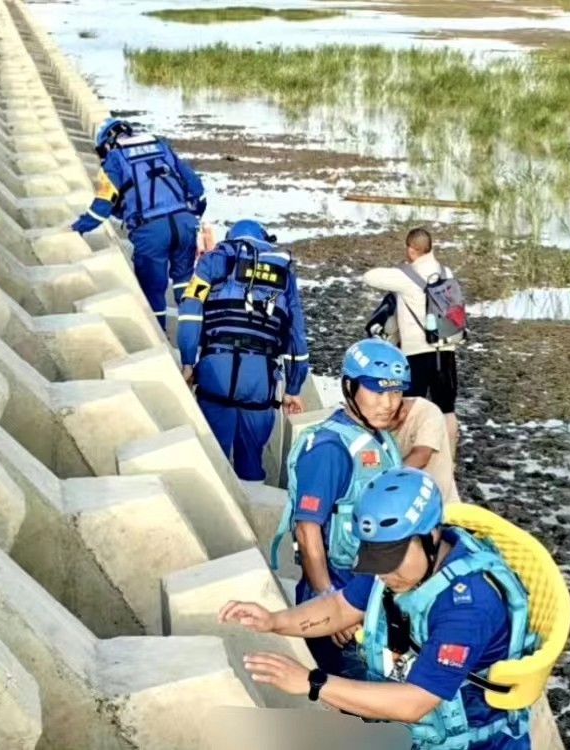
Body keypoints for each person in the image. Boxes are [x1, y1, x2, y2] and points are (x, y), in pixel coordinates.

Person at [223, 466, 535, 750]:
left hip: (467, 740)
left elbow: (415, 702)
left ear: (431, 536)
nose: (383, 572)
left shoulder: (467, 607)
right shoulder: (396, 563)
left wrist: (312, 682)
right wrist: (274, 621)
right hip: (416, 725)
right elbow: (341, 607)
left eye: (392, 558)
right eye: (376, 558)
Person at [269, 338, 408, 679]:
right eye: (376, 392)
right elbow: (307, 529)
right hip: (340, 595)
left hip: (375, 593)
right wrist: (327, 601)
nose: (388, 403)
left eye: (396, 392)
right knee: (355, 699)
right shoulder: (330, 449)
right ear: (349, 387)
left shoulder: (380, 438)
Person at [177, 219, 309, 482]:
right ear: (263, 239)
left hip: (217, 371)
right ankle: (253, 506)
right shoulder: (283, 273)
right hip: (260, 378)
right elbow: (296, 335)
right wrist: (294, 388)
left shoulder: (212, 261)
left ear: (230, 237)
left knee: (213, 457)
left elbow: (190, 311)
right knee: (251, 458)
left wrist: (188, 360)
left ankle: (216, 513)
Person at [71, 117, 206, 330]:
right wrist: (193, 216)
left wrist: (78, 228)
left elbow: (104, 205)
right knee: (184, 281)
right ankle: (195, 334)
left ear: (108, 143)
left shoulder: (115, 159)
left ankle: (161, 335)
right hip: (185, 222)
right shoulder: (161, 146)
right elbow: (196, 187)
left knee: (153, 290)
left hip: (151, 230)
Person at [363, 228, 464, 459]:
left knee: (407, 405)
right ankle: (449, 457)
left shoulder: (405, 277)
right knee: (447, 408)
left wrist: (400, 268)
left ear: (411, 249)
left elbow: (369, 276)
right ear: (431, 248)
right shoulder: (446, 271)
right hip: (445, 350)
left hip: (416, 353)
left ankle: (402, 455)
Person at [389, 396, 461, 505]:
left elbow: (421, 456)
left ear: (402, 414)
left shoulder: (428, 412)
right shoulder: (374, 414)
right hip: (402, 503)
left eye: (386, 424)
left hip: (440, 502)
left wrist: (385, 480)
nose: (380, 427)